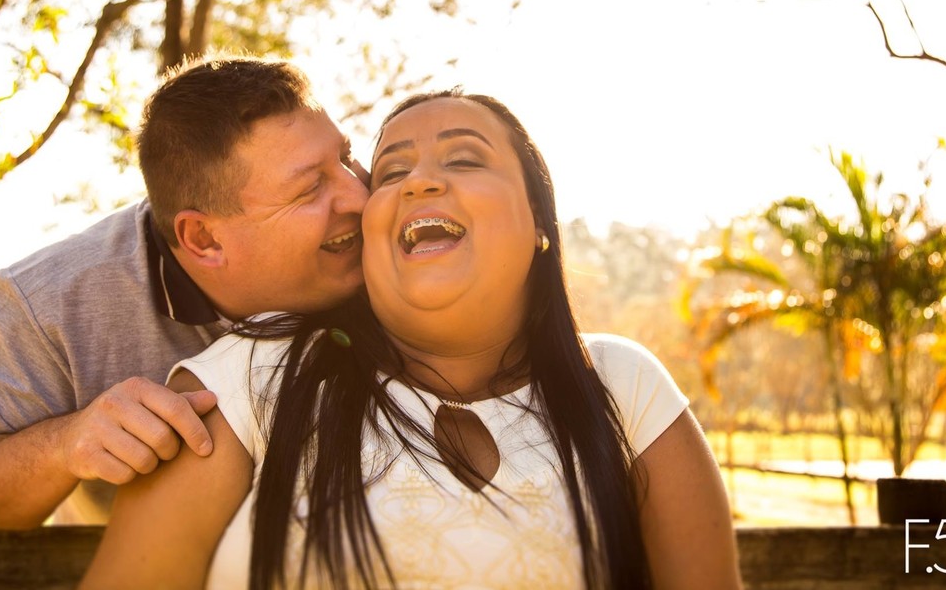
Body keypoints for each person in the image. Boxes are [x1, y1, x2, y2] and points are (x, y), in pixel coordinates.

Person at [80, 90, 741, 589]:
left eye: (464, 158)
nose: (420, 180)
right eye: (392, 172)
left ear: (539, 219)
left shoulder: (624, 387)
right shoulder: (254, 377)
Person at [0, 55, 369, 527]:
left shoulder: (387, 249)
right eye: (310, 189)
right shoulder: (51, 306)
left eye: (346, 156)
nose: (359, 195)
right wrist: (64, 445)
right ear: (204, 239)